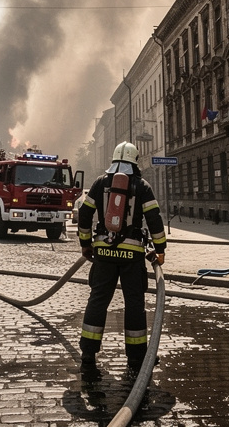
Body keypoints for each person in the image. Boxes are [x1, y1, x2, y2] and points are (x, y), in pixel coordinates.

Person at [76, 142, 167, 371]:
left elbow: (85, 213)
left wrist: (86, 244)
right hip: (132, 256)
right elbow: (154, 219)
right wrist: (160, 249)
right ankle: (136, 357)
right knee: (134, 304)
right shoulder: (142, 186)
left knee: (98, 300)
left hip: (103, 254)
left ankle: (88, 352)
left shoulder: (99, 183)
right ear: (135, 161)